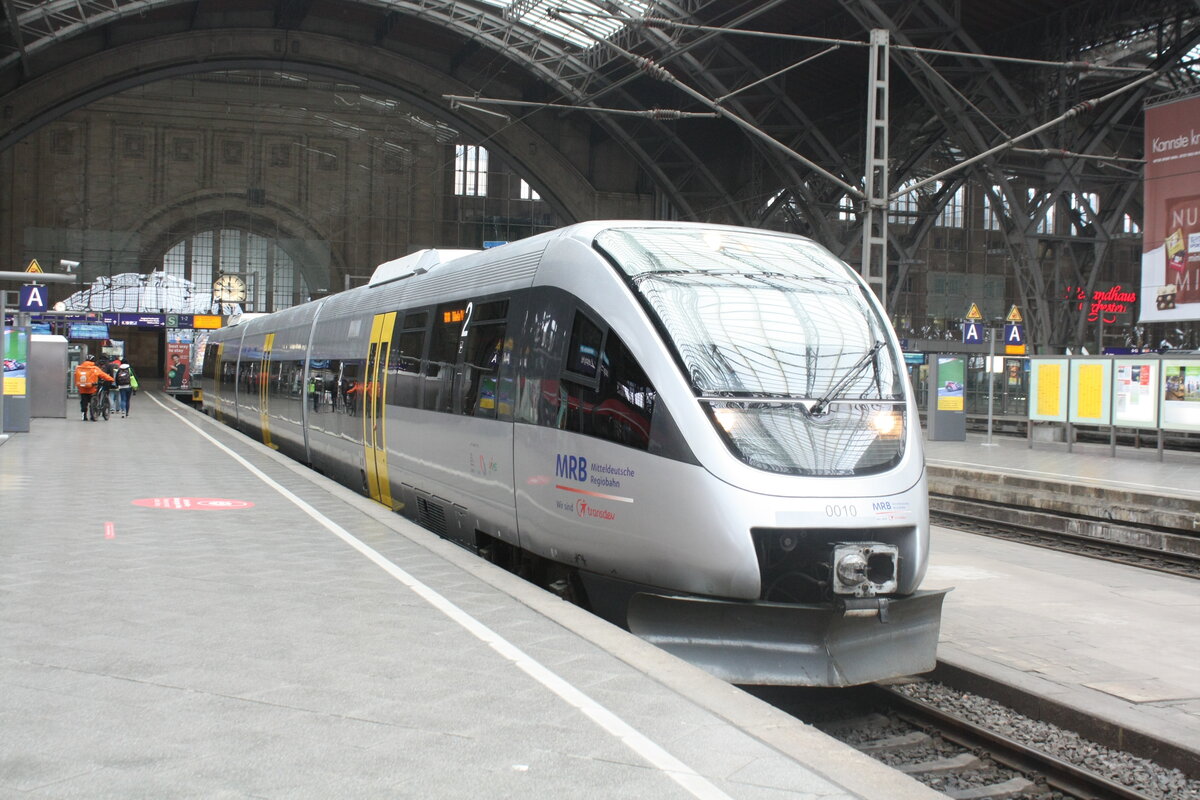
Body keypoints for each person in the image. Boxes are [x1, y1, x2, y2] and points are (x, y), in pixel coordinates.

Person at [72, 355, 115, 421]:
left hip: (82, 388)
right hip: (92, 388)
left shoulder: (79, 367)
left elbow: (76, 376)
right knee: (94, 401)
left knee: (84, 402)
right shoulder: (95, 368)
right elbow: (103, 375)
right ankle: (92, 415)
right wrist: (111, 379)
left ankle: (84, 415)